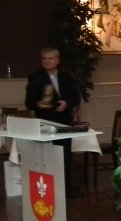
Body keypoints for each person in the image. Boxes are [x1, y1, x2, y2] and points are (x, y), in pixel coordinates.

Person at [24, 48, 80, 195]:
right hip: (45, 122)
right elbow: (29, 102)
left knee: (65, 156)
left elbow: (75, 97)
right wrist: (40, 105)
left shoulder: (66, 77)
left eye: (50, 58)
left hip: (64, 121)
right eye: (44, 59)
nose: (47, 61)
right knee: (46, 156)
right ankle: (47, 189)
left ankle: (66, 188)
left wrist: (66, 103)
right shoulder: (35, 78)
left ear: (57, 60)